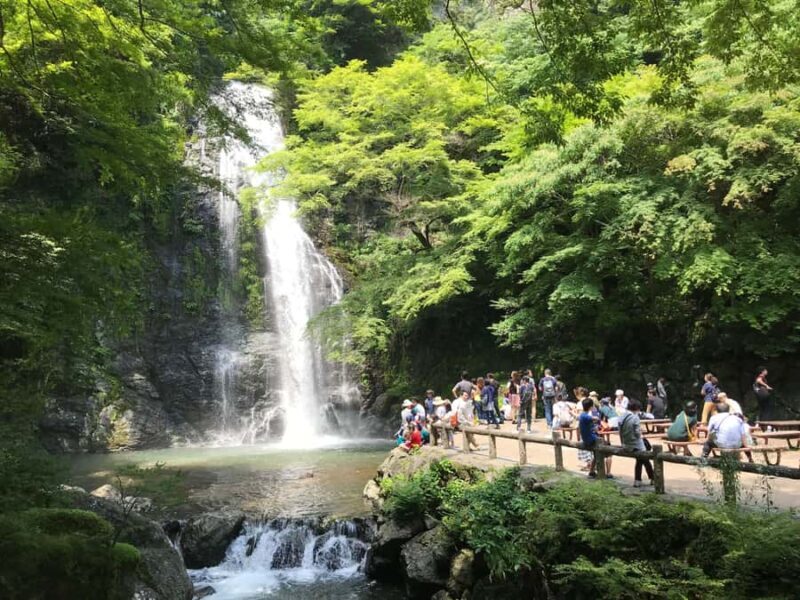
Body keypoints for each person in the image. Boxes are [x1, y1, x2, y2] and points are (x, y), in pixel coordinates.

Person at [619, 399, 654, 487]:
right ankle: (650, 478)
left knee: (641, 459)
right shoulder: (635, 418)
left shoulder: (622, 417)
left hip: (626, 444)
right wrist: (641, 434)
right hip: (636, 444)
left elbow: (620, 432)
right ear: (636, 408)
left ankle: (639, 480)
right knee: (644, 457)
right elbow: (637, 434)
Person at [579, 397, 613, 479]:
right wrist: (598, 419)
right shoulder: (585, 416)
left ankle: (591, 472)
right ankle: (608, 473)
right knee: (609, 450)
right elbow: (595, 419)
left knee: (596, 454)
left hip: (588, 438)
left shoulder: (582, 415)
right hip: (591, 439)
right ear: (590, 407)